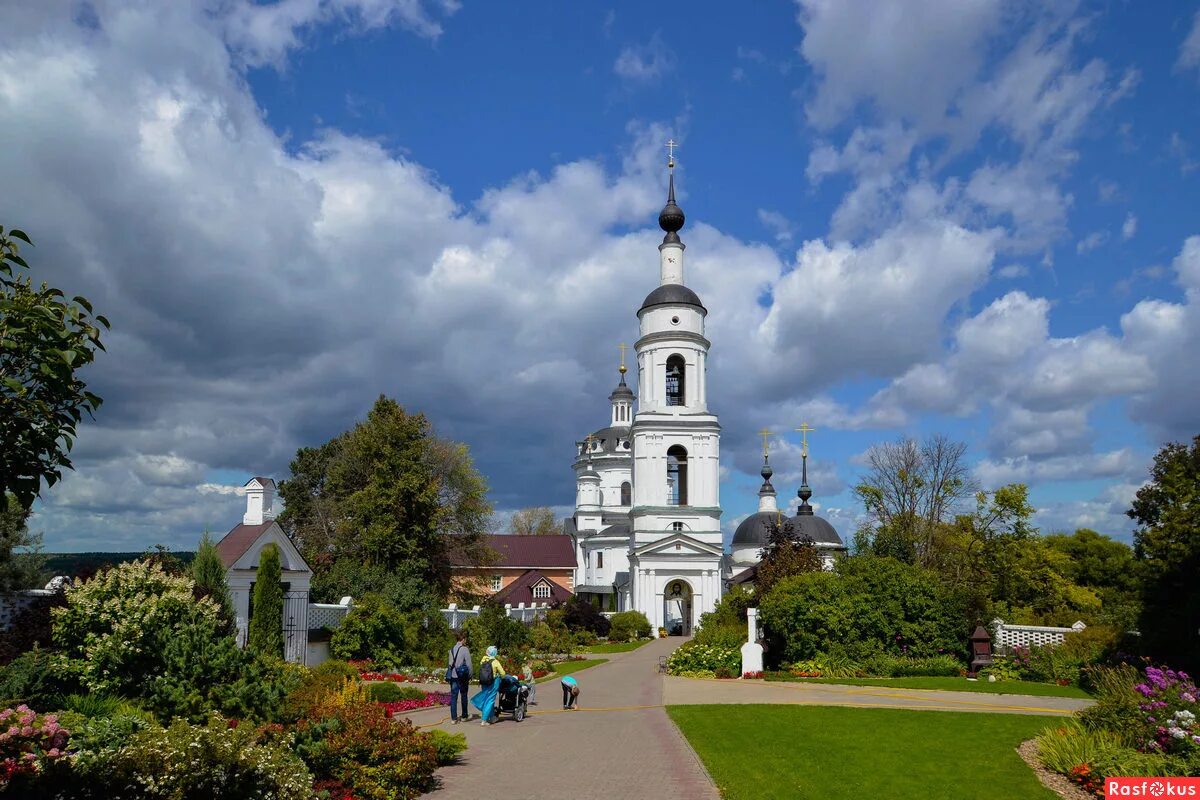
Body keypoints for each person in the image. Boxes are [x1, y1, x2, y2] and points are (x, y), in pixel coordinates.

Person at [471, 645, 506, 726]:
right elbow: (503, 674)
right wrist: (500, 676)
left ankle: (492, 717)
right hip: (493, 683)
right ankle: (484, 720)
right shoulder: (495, 662)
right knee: (490, 701)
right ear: (494, 653)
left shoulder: (483, 660)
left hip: (484, 683)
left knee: (487, 699)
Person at [446, 631, 472, 724]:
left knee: (453, 697)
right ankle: (464, 716)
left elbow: (450, 664)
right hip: (462, 676)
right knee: (464, 696)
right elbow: (469, 664)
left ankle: (453, 718)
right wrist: (470, 675)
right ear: (463, 639)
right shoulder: (465, 649)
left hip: (453, 676)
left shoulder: (451, 649)